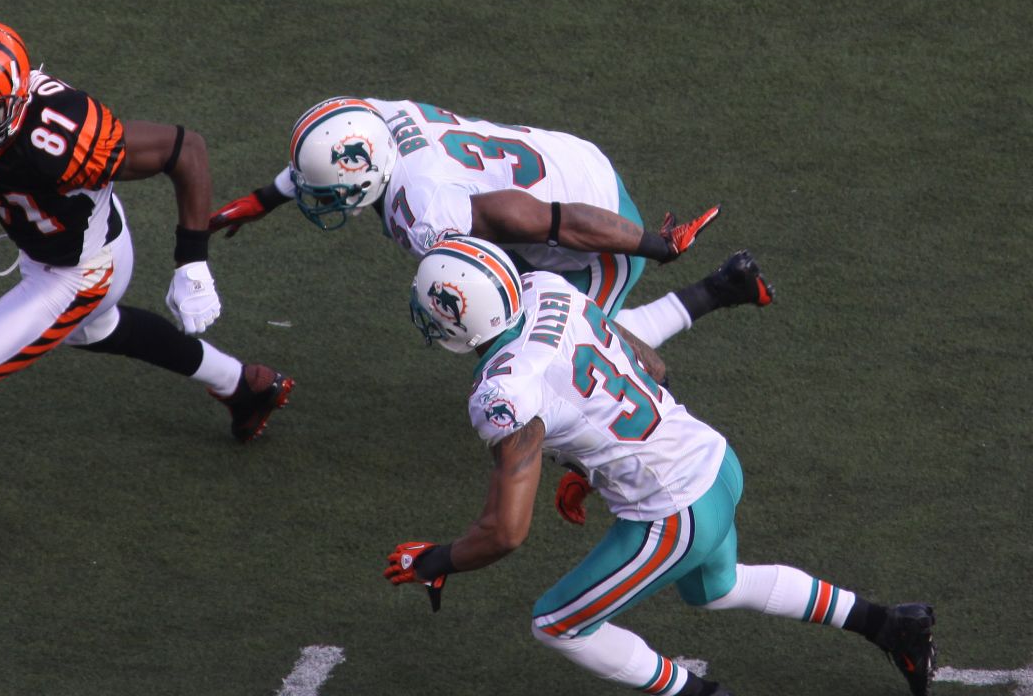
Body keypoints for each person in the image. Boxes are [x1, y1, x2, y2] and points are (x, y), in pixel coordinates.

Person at [382, 236, 936, 696]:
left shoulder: (504, 391)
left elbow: (505, 531)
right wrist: (592, 468)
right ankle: (891, 626)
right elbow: (650, 364)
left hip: (675, 510)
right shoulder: (551, 292)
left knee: (557, 625)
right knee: (714, 590)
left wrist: (437, 561)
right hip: (714, 459)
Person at [0, 21, 294, 552]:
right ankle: (245, 386)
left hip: (81, 270)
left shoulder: (62, 137)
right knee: (98, 330)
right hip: (52, 245)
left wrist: (192, 262)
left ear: (15, 98)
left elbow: (186, 150)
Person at [209, 97, 773, 353]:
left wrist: (655, 245)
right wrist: (268, 196)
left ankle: (717, 294)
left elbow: (543, 221)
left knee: (570, 349)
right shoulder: (369, 116)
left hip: (592, 225)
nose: (319, 199)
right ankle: (729, 284)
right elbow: (336, 156)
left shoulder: (426, 209)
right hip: (559, 160)